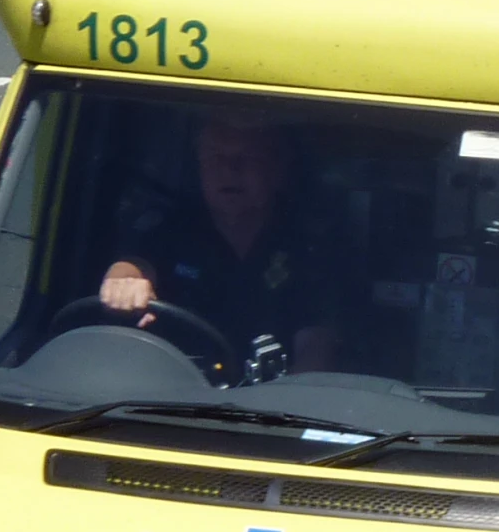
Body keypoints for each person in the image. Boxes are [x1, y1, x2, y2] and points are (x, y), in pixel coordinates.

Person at [98, 114, 340, 374]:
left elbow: (317, 347)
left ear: (278, 170)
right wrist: (123, 281)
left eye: (248, 158)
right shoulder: (173, 229)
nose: (229, 170)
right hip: (173, 392)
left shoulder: (309, 242)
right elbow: (134, 266)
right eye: (215, 158)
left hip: (274, 400)